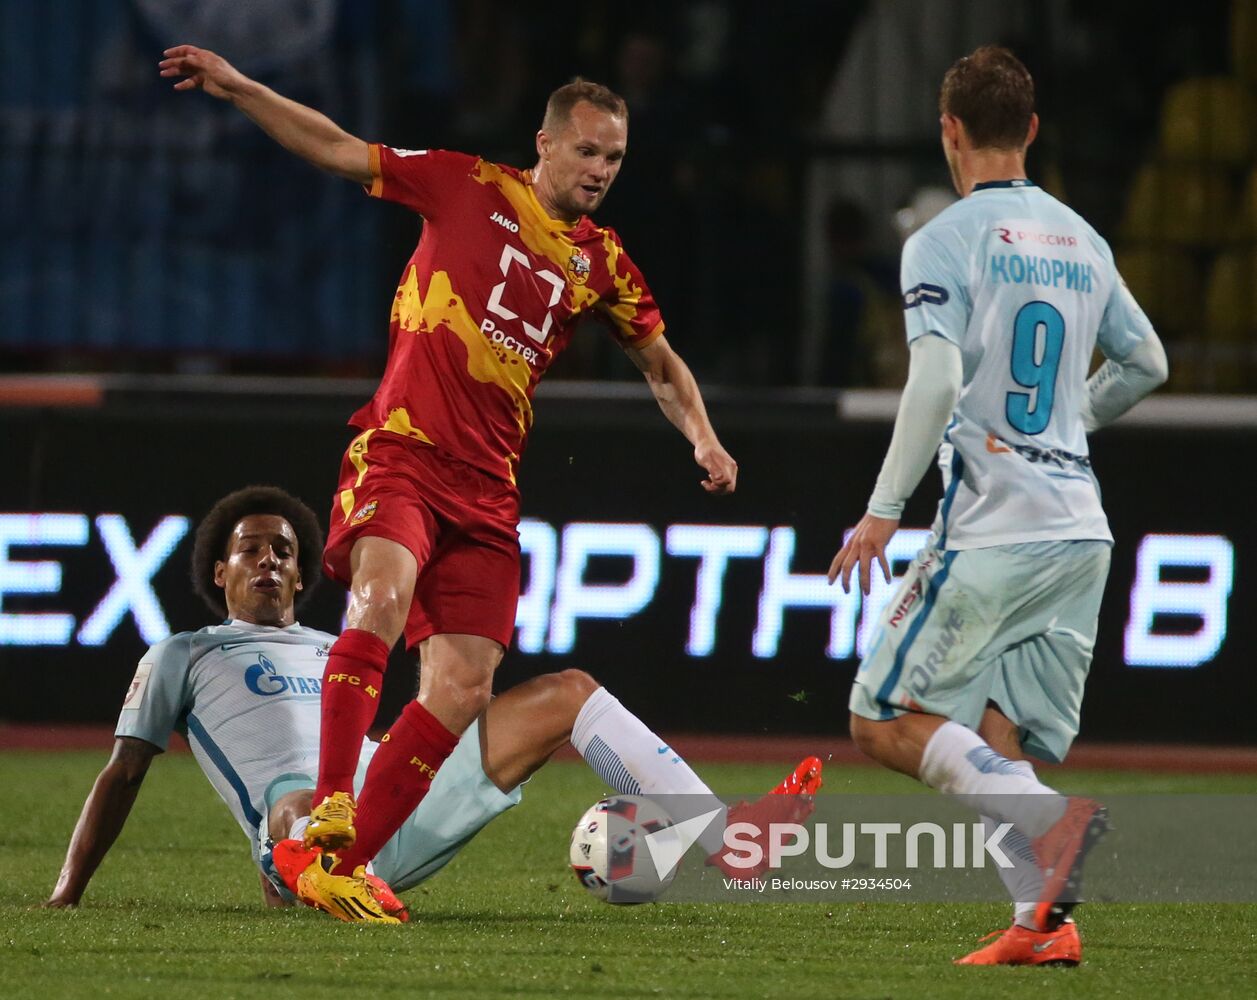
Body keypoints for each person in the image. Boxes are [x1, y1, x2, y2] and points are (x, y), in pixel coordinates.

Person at [156, 47, 740, 916]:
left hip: (487, 494)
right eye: (586, 152)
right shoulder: (464, 184)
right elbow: (335, 146)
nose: (600, 171)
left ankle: (340, 868)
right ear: (542, 143)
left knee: (463, 689)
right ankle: (328, 814)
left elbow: (658, 361)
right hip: (402, 451)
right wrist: (240, 88)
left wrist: (704, 437)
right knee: (381, 602)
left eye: (614, 158)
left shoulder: (602, 263)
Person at [46, 487, 819, 921]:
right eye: (252, 548)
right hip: (304, 824)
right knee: (301, 797)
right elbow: (122, 774)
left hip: (384, 801)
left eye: (284, 550)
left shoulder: (336, 645)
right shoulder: (184, 654)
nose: (270, 561)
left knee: (568, 694)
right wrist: (67, 892)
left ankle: (728, 842)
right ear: (220, 571)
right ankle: (311, 867)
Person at [827, 47, 1168, 967]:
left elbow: (934, 377)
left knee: (880, 716)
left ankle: (1051, 828)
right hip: (1079, 533)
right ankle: (1039, 928)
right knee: (992, 732)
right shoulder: (1082, 238)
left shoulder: (943, 238)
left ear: (948, 130)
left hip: (995, 530)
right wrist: (1067, 424)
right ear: (1030, 131)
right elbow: (1148, 363)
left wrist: (883, 508)